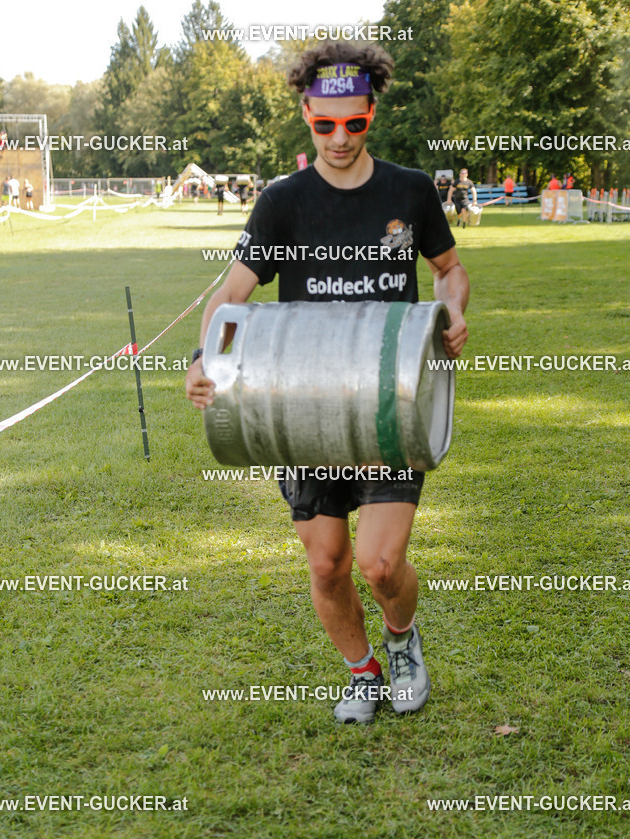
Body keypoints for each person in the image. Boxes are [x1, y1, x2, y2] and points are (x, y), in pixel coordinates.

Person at [186, 42, 470, 725]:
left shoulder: (408, 191)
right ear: (306, 114)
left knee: (377, 563)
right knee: (327, 564)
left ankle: (401, 643)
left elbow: (448, 269)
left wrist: (453, 309)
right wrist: (203, 360)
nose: (340, 139)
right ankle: (362, 673)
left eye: (355, 124)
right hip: (300, 408)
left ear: (371, 113)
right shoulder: (282, 203)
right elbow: (231, 298)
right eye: (325, 125)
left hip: (389, 403)